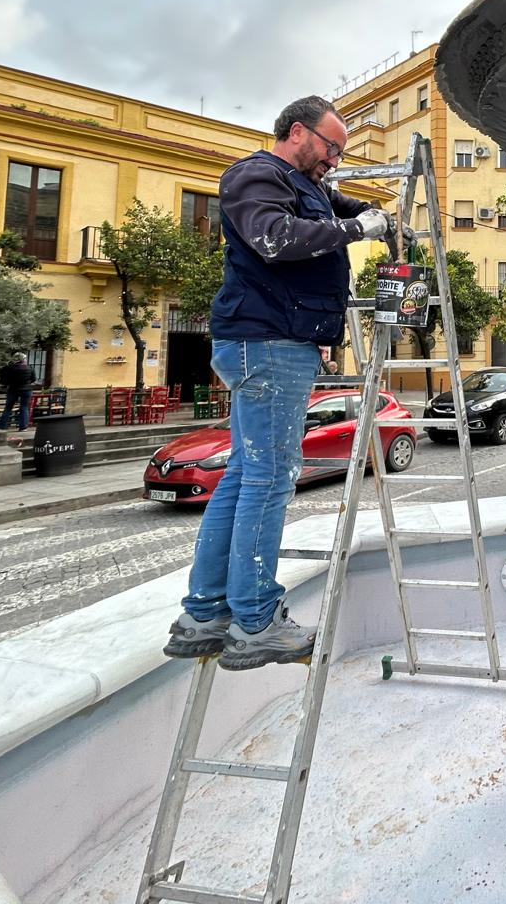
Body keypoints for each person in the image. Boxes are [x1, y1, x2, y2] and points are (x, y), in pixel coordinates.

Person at [164, 96, 397, 671]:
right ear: (298, 132)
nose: (334, 162)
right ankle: (256, 621)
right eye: (330, 148)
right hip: (268, 344)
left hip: (266, 341)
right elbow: (275, 237)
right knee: (269, 478)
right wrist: (353, 229)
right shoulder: (256, 176)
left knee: (244, 474)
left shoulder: (301, 183)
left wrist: (386, 221)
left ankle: (205, 612)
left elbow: (340, 203)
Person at [0, 354, 37, 430]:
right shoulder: (30, 368)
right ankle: (23, 427)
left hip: (13, 389)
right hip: (26, 390)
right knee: (24, 407)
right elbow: (33, 379)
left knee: (8, 407)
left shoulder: (10, 368)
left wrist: (6, 385)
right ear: (24, 359)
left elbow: (5, 380)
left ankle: (1, 426)